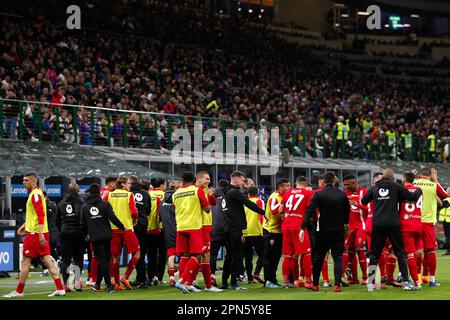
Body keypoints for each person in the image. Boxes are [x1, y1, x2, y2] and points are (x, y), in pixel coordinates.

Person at [3, 171, 65, 298]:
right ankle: (60, 288)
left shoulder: (35, 195)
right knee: (47, 259)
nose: (23, 182)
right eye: (23, 180)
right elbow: (34, 215)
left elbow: (41, 215)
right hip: (40, 232)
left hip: (35, 234)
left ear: (33, 181)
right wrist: (23, 226)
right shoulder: (36, 193)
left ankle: (19, 291)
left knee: (25, 262)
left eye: (26, 180)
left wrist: (40, 234)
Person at [361, 168, 422, 291]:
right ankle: (405, 281)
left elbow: (363, 201)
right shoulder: (396, 187)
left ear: (383, 177)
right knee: (400, 253)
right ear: (393, 177)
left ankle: (370, 283)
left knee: (374, 254)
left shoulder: (375, 187)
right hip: (393, 224)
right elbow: (411, 197)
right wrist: (419, 190)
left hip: (377, 224)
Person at [300, 171, 350, 292]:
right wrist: (345, 224)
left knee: (319, 257)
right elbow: (347, 212)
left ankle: (316, 284)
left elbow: (310, 211)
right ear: (334, 181)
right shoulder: (342, 194)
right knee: (337, 257)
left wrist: (302, 227)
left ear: (323, 182)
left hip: (322, 230)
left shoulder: (318, 194)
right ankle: (337, 284)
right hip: (338, 230)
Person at [221, 171, 266, 290]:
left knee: (229, 256)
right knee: (237, 256)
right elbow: (248, 203)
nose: (242, 183)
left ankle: (225, 282)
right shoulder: (234, 192)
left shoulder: (225, 192)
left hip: (227, 228)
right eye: (242, 181)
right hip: (234, 229)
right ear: (235, 180)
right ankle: (234, 283)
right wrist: (263, 212)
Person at [81, 183, 125, 293]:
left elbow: (82, 224)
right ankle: (102, 284)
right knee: (104, 261)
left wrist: (85, 234)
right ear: (99, 193)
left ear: (90, 193)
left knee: (102, 261)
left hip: (95, 237)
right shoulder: (105, 205)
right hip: (107, 236)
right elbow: (113, 218)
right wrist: (122, 227)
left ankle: (106, 285)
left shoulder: (85, 207)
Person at [173, 171, 211, 293]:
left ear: (182, 180)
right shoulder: (197, 191)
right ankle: (183, 281)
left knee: (185, 255)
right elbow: (207, 209)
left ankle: (183, 282)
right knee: (197, 255)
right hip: (194, 227)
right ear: (194, 180)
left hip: (180, 227)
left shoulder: (176, 193)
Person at [103, 176, 140, 290]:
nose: (130, 186)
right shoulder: (129, 195)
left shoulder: (109, 194)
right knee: (137, 253)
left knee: (115, 256)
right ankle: (125, 277)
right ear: (123, 184)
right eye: (129, 183)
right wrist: (135, 220)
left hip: (113, 228)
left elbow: (103, 207)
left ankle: (115, 282)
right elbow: (134, 211)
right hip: (127, 228)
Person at [413, 167, 447, 286]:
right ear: (430, 175)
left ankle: (417, 277)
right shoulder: (433, 185)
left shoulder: (414, 182)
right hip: (427, 223)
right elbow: (446, 194)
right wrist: (436, 180)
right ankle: (431, 279)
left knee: (416, 251)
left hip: (414, 221)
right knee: (431, 250)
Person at [279, 176, 313, 289]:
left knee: (289, 255)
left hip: (286, 225)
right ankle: (308, 281)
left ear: (296, 183)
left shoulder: (287, 193)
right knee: (306, 253)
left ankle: (288, 282)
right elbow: (310, 210)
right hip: (298, 226)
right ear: (305, 184)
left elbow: (280, 210)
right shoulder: (307, 193)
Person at [195, 171, 222, 292]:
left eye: (209, 179)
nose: (209, 181)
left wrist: (211, 195)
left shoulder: (205, 190)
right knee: (200, 255)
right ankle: (191, 281)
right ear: (199, 180)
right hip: (200, 226)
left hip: (206, 226)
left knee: (203, 255)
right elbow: (207, 209)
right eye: (207, 179)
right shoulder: (196, 191)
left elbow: (214, 203)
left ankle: (193, 281)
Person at [262, 178, 291, 289]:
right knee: (270, 257)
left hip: (278, 231)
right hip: (270, 231)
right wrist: (286, 206)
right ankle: (268, 281)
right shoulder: (274, 197)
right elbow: (274, 210)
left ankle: (272, 280)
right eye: (287, 186)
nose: (289, 188)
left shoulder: (282, 197)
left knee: (276, 257)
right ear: (281, 187)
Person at [56, 182, 84, 291]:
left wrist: (62, 230)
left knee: (65, 260)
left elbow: (57, 221)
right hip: (78, 233)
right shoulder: (80, 201)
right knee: (78, 259)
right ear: (78, 190)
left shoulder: (61, 203)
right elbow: (81, 218)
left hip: (65, 233)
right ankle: (76, 283)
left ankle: (66, 285)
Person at [399, 172, 424, 290]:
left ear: (404, 178)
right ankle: (413, 276)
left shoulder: (401, 190)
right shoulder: (419, 190)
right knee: (415, 253)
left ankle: (416, 282)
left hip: (406, 225)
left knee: (409, 254)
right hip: (418, 223)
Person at [342, 174, 369, 285]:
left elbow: (369, 209)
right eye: (344, 185)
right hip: (350, 228)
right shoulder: (344, 194)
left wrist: (358, 205)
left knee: (359, 248)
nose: (346, 187)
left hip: (361, 226)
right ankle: (354, 277)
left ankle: (365, 276)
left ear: (354, 183)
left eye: (348, 185)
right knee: (350, 252)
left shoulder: (364, 192)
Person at [128, 175, 151, 288]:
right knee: (142, 251)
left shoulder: (128, 194)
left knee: (136, 253)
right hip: (143, 224)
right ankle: (141, 278)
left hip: (132, 224)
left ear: (130, 183)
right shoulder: (146, 194)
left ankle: (142, 279)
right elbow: (148, 211)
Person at [160, 180, 181, 287]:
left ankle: (172, 278)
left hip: (167, 230)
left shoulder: (162, 201)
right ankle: (183, 277)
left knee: (171, 255)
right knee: (184, 254)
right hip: (178, 228)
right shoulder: (177, 199)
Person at [242, 186, 265, 285]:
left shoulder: (244, 203)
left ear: (248, 194)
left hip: (245, 232)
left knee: (248, 257)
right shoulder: (259, 201)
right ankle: (256, 273)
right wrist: (262, 229)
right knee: (263, 254)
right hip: (256, 231)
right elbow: (261, 216)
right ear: (257, 193)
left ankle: (250, 278)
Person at [147, 178, 165, 286]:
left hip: (149, 228)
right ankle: (159, 277)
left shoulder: (148, 195)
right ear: (161, 185)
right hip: (162, 228)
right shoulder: (165, 195)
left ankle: (150, 276)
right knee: (162, 254)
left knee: (151, 254)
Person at [210, 179, 228, 287]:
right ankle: (227, 279)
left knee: (212, 255)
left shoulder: (211, 196)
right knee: (230, 255)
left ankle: (212, 276)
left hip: (213, 230)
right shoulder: (228, 196)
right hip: (226, 229)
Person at [43, 191, 60, 274]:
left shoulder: (47, 206)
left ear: (45, 197)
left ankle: (47, 268)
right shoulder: (53, 205)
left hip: (48, 232)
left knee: (45, 251)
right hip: (53, 231)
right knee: (51, 250)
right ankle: (58, 262)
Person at [439, 188, 450, 256]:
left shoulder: (446, 200)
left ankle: (449, 250)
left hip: (447, 220)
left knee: (448, 236)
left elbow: (442, 209)